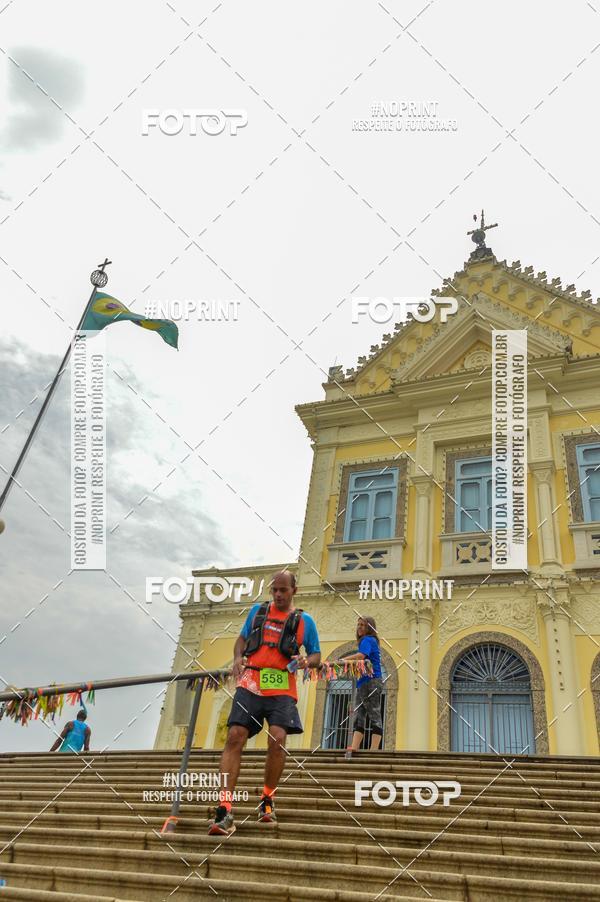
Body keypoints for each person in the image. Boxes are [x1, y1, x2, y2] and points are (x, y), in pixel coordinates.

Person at [208, 570, 321, 835]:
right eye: (275, 590)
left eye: (284, 590)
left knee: (278, 738)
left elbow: (315, 654)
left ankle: (267, 799)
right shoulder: (257, 613)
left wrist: (306, 661)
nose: (279, 595)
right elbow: (241, 639)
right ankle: (224, 809)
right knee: (235, 735)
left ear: (295, 590)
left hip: (282, 685)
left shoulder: (305, 621)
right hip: (251, 681)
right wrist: (237, 658)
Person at [343, 616, 383, 755]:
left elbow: (360, 656)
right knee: (359, 714)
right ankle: (354, 747)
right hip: (363, 682)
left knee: (373, 713)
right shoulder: (368, 641)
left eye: (363, 625)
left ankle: (373, 750)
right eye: (358, 624)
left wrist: (341, 660)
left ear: (369, 628)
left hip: (371, 681)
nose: (359, 627)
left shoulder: (368, 640)